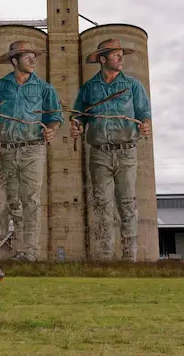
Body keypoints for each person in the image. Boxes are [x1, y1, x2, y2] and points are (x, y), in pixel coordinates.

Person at [0, 41, 63, 262]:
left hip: (32, 149)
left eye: (34, 56)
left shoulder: (45, 88)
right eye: (28, 57)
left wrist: (51, 131)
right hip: (7, 150)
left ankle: (31, 252)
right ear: (15, 61)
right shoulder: (0, 86)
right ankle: (20, 249)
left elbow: (55, 118)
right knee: (14, 201)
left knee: (31, 200)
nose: (33, 60)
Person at [70, 38, 152, 262]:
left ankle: (129, 256)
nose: (121, 58)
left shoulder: (133, 86)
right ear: (103, 59)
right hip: (99, 153)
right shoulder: (89, 88)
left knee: (127, 202)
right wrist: (76, 125)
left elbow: (144, 113)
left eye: (121, 54)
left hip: (126, 151)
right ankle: (105, 255)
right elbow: (78, 113)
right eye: (116, 54)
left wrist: (145, 124)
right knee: (102, 203)